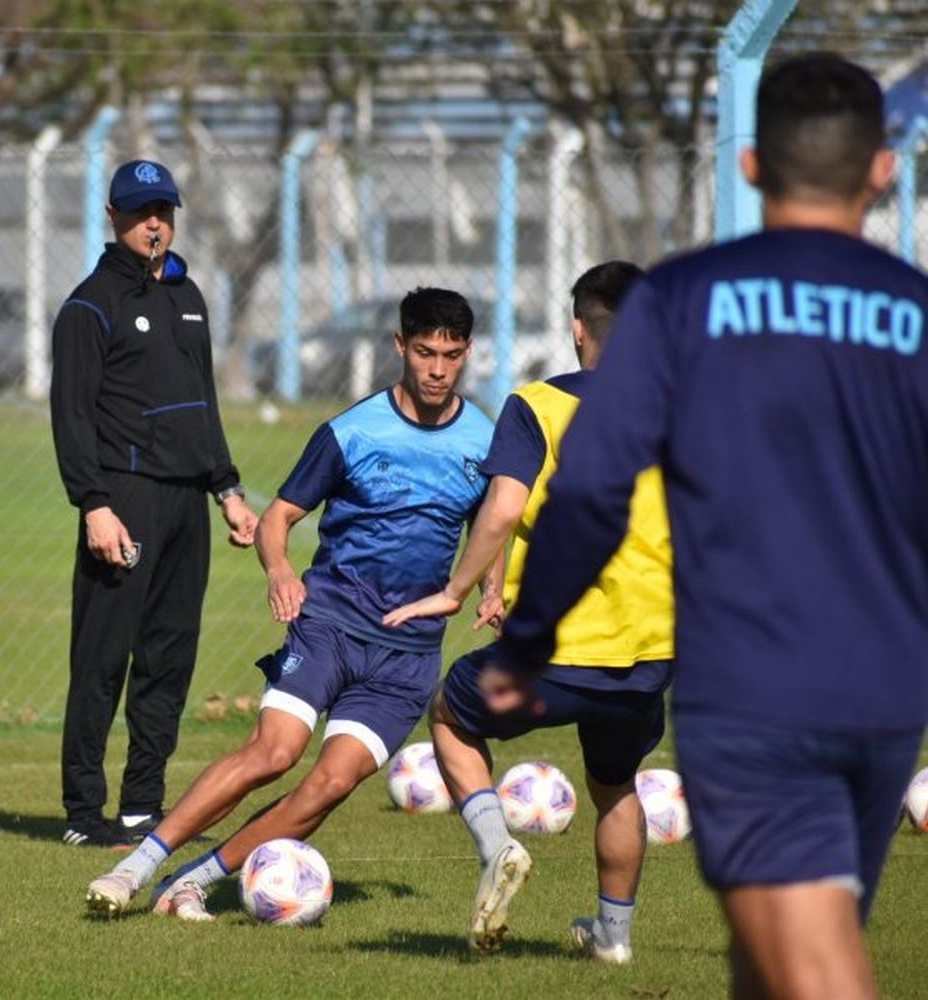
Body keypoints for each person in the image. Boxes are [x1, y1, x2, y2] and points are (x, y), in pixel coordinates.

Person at [485, 55, 927, 998]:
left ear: (755, 165)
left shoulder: (684, 302)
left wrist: (526, 642)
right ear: (882, 170)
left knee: (809, 959)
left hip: (759, 683)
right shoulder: (917, 316)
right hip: (889, 684)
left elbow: (593, 493)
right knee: (775, 949)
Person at [84, 287, 496, 919]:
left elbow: (493, 526)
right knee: (274, 753)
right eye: (424, 352)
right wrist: (279, 570)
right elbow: (277, 518)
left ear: (466, 353)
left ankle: (194, 881)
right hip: (331, 619)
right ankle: (133, 868)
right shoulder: (352, 431)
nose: (437, 369)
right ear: (399, 347)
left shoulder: (482, 439)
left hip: (408, 654)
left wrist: (492, 587)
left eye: (451, 355)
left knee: (329, 784)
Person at [384, 261, 670, 962]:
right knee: (614, 785)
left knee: (449, 713)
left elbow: (506, 507)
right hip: (652, 652)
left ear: (578, 329)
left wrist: (458, 588)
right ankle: (615, 941)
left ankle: (497, 846)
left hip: (560, 649)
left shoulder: (537, 405)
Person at [50, 159, 259, 849]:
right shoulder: (89, 305)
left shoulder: (189, 295)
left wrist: (225, 488)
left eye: (164, 211)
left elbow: (203, 401)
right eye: (141, 212)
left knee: (169, 659)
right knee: (103, 661)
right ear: (112, 218)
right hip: (125, 501)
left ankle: (143, 805)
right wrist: (94, 504)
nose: (155, 224)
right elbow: (71, 414)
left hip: (186, 508)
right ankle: (85, 814)